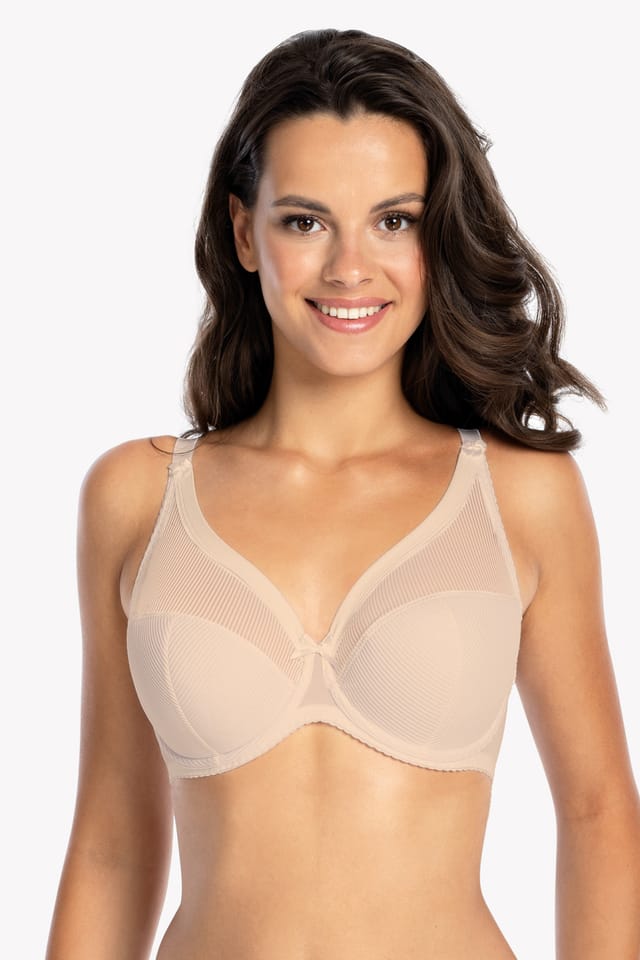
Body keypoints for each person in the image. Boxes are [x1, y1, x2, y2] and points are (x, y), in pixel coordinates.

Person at [46, 28, 640, 960]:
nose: (350, 268)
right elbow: (113, 843)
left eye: (394, 221)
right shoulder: (135, 498)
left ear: (436, 237)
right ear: (244, 232)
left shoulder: (520, 495)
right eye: (305, 221)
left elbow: (599, 811)